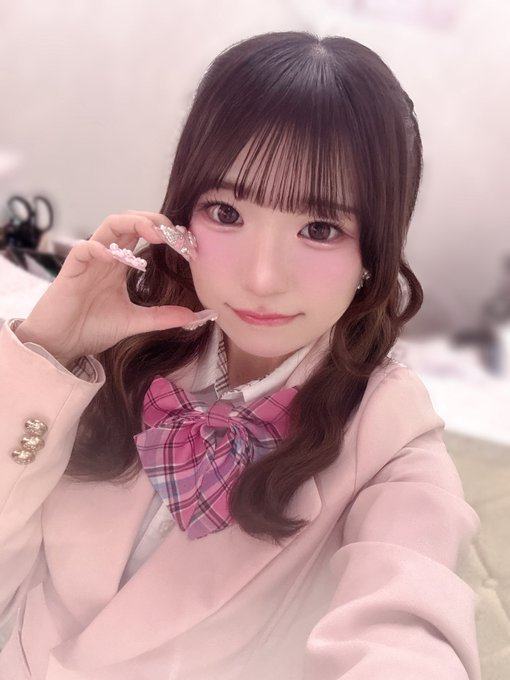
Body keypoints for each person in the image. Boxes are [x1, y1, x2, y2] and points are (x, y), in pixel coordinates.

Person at [0, 31, 480, 679]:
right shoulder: (119, 346)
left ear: (373, 252)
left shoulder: (389, 436)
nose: (261, 278)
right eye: (226, 212)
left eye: (319, 228)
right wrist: (47, 355)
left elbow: (406, 621)